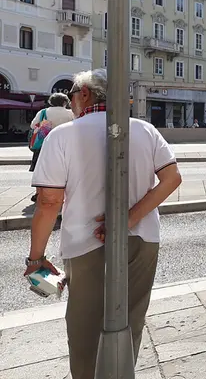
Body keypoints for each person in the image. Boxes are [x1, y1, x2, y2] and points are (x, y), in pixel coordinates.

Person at [24, 69, 182, 379]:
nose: (71, 103)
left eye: (72, 96)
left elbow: (48, 202)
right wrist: (128, 219)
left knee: (85, 328)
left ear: (84, 94)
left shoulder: (63, 135)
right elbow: (172, 178)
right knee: (130, 321)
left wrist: (36, 258)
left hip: (86, 242)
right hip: (143, 241)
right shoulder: (145, 130)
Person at [29, 93, 74, 202]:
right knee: (65, 170)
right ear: (65, 102)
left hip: (44, 144)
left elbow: (33, 125)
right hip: (65, 144)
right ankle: (64, 193)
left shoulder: (43, 112)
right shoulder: (70, 113)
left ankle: (38, 193)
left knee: (41, 169)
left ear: (50, 102)